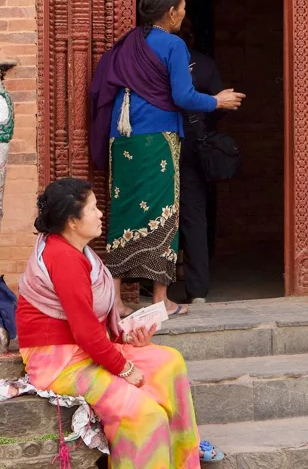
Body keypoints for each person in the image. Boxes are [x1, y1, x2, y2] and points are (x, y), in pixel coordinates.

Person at [16, 177, 224, 467]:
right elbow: (86, 333)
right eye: (92, 209)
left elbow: (91, 329)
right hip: (61, 363)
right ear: (72, 222)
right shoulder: (62, 257)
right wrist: (124, 368)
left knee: (169, 362)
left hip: (83, 350)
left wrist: (124, 340)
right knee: (145, 416)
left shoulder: (77, 251)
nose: (101, 214)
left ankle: (180, 455)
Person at [88, 0, 244, 317]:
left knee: (124, 212)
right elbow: (183, 96)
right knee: (164, 214)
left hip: (122, 139)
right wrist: (218, 100)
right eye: (183, 9)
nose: (183, 15)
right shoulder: (173, 44)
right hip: (158, 139)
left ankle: (115, 300)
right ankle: (160, 300)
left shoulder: (127, 43)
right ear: (171, 12)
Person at [177, 20, 227, 304]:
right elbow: (221, 108)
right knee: (194, 215)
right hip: (194, 144)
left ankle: (154, 283)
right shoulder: (204, 63)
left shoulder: (157, 60)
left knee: (158, 211)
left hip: (159, 143)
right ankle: (197, 290)